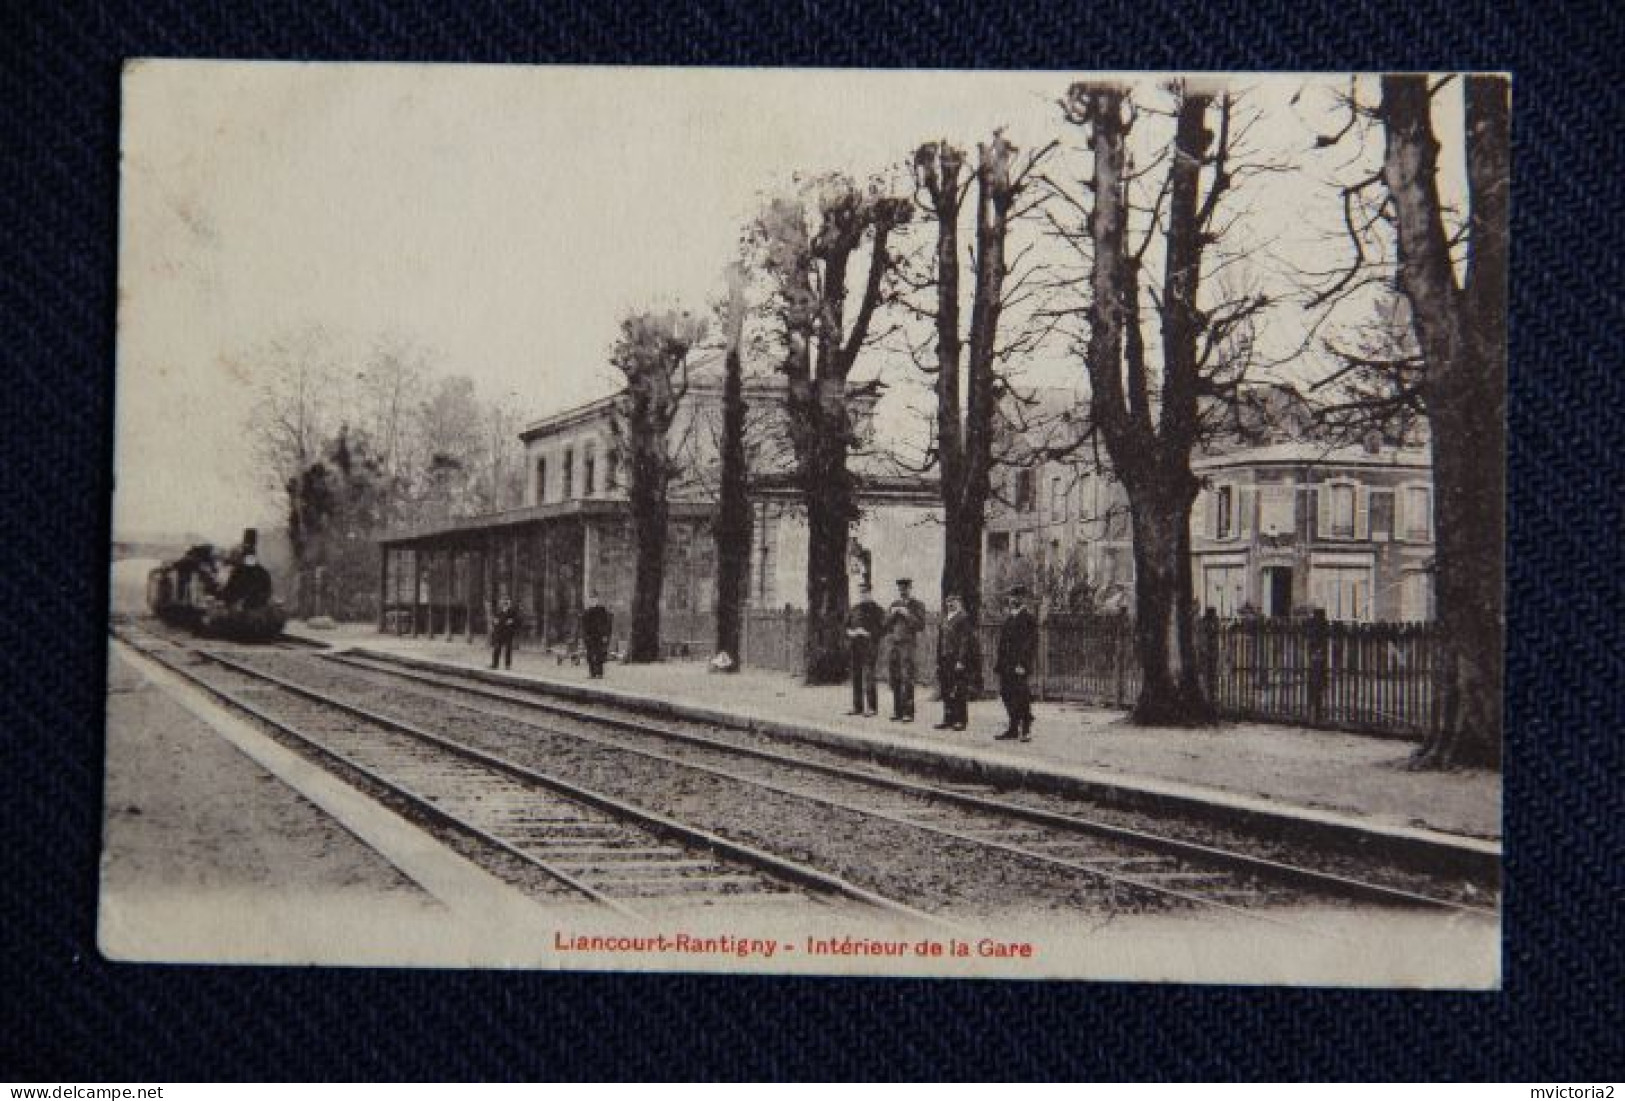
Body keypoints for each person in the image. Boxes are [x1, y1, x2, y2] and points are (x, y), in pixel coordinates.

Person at [993, 585, 1038, 741]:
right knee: (1007, 694)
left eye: (1017, 597)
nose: (1013, 600)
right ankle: (1013, 727)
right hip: (1006, 664)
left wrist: (1023, 664)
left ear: (1023, 599)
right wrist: (999, 664)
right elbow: (1002, 644)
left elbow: (1030, 644)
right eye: (1011, 597)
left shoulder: (1028, 619)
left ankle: (1026, 728)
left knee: (1021, 695)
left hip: (1019, 665)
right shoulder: (1009, 619)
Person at [880, 578, 927, 722]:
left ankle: (908, 713)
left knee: (907, 678)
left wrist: (907, 613)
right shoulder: (894, 604)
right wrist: (893, 613)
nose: (902, 591)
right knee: (895, 678)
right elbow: (884, 624)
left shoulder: (917, 605)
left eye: (905, 589)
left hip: (908, 645)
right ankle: (897, 711)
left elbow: (920, 625)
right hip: (894, 644)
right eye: (900, 589)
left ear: (910, 588)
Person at [934, 593, 978, 731]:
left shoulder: (963, 619)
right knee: (946, 689)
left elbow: (965, 642)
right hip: (945, 658)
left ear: (959, 603)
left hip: (956, 659)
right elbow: (940, 641)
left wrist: (961, 660)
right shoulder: (944, 619)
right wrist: (938, 659)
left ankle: (960, 720)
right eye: (948, 601)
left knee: (959, 689)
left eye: (954, 601)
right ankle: (948, 719)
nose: (950, 604)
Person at [844, 581, 884, 716]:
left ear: (870, 593)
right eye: (860, 592)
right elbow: (846, 627)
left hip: (870, 646)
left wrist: (868, 633)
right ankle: (857, 707)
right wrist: (852, 633)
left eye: (865, 592)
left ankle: (872, 708)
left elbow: (883, 628)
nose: (862, 595)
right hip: (855, 646)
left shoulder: (877, 610)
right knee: (856, 675)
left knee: (869, 676)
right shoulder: (854, 609)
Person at [581, 591, 612, 678]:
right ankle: (592, 673)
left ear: (597, 600)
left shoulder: (602, 610)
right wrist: (585, 636)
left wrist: (605, 635)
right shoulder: (586, 612)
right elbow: (584, 625)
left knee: (599, 654)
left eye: (594, 599)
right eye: (591, 599)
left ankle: (600, 673)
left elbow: (606, 623)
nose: (593, 601)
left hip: (599, 635)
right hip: (590, 636)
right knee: (590, 655)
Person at [490, 595, 519, 670]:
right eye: (504, 602)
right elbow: (495, 620)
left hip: (508, 633)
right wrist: (494, 622)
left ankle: (507, 665)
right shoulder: (499, 611)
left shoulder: (513, 612)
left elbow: (517, 621)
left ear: (509, 603)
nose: (505, 604)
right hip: (499, 632)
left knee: (508, 649)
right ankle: (495, 664)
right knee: (497, 648)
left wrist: (512, 622)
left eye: (507, 602)